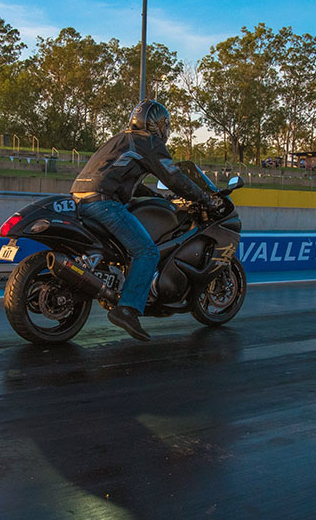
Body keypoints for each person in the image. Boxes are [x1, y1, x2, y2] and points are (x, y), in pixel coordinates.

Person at [70, 99, 219, 341]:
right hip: (103, 202)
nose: (165, 130)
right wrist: (204, 198)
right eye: (165, 125)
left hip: (80, 198)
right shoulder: (148, 142)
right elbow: (173, 177)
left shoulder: (121, 139)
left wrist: (156, 197)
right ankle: (127, 308)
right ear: (158, 125)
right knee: (147, 252)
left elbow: (125, 180)